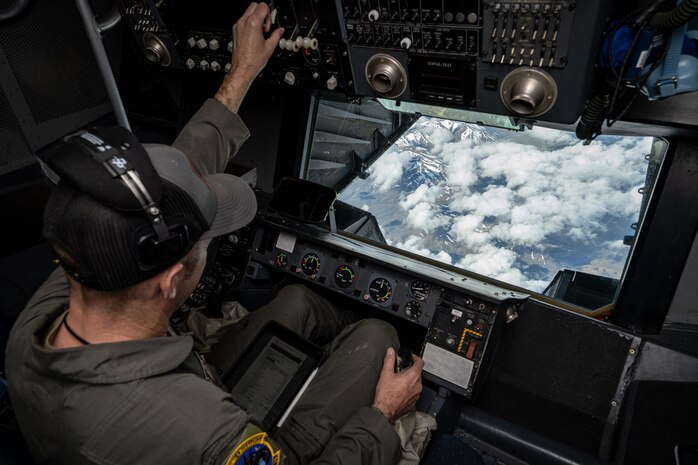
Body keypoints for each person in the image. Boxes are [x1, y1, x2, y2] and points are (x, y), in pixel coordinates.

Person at [4, 3, 425, 465]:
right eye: (206, 239)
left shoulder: (50, 309)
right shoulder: (206, 432)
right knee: (378, 332)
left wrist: (241, 72)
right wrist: (381, 416)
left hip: (177, 379)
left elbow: (178, 171)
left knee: (298, 302)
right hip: (202, 416)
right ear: (170, 280)